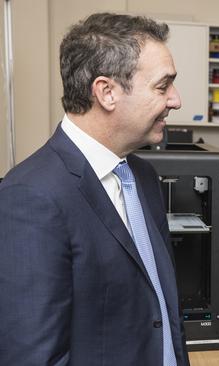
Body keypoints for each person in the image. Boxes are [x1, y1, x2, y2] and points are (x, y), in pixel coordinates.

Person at [0, 13, 188, 365]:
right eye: (163, 87)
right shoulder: (29, 197)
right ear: (106, 92)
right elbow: (32, 355)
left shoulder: (143, 176)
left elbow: (159, 308)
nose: (176, 100)